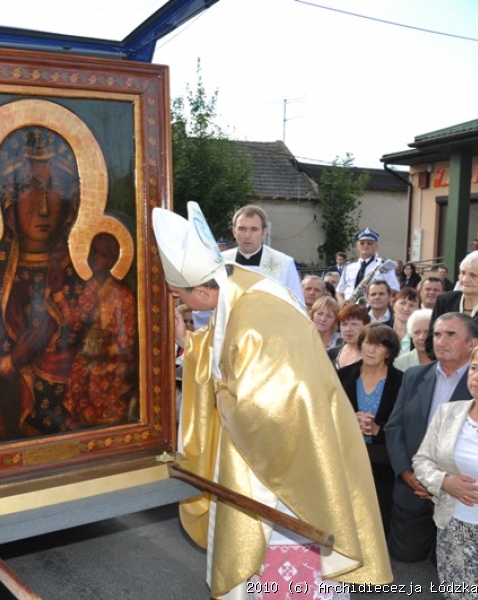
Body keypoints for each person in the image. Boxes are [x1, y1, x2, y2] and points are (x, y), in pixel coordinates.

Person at [154, 202, 390, 597]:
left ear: (202, 290)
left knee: (285, 566)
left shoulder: (255, 319)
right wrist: (188, 343)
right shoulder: (241, 288)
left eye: (178, 295)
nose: (178, 302)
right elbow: (223, 349)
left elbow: (267, 409)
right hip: (291, 447)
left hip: (287, 470)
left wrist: (222, 393)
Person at [0, 127, 94, 446]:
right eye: (30, 189)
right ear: (7, 200)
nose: (44, 208)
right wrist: (11, 362)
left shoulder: (82, 279)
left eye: (55, 191)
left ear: (71, 204)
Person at [413, 339, 478, 600]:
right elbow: (422, 460)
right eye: (474, 368)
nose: (477, 376)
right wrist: (443, 481)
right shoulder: (448, 412)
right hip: (452, 528)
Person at [385, 312, 478, 562]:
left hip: (459, 496)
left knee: (450, 569)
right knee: (405, 562)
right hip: (412, 490)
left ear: (473, 344)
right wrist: (406, 474)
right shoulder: (414, 376)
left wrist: (439, 481)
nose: (441, 341)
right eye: (436, 334)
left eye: (451, 334)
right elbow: (394, 428)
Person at [64, 232, 137, 427]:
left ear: (113, 260)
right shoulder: (89, 288)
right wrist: (59, 298)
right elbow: (76, 321)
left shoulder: (123, 294)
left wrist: (107, 350)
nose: (95, 258)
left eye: (102, 254)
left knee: (97, 372)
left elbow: (128, 338)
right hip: (90, 351)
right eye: (94, 252)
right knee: (79, 366)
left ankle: (105, 425)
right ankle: (82, 422)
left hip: (115, 356)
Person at [337, 323, 404, 534]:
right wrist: (349, 422)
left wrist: (377, 430)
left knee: (378, 525)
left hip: (383, 464)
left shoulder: (401, 381)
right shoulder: (341, 376)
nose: (371, 350)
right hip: (346, 459)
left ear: (389, 352)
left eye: (379, 345)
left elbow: (405, 425)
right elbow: (328, 416)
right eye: (367, 343)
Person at [425, 251, 478, 357]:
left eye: (473, 275)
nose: (465, 279)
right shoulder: (444, 301)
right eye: (463, 273)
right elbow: (430, 344)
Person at [222, 204, 305, 304]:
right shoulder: (221, 261)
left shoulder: (284, 264)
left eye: (254, 229)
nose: (247, 235)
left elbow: (297, 305)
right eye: (242, 229)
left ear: (264, 232)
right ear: (234, 231)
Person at [336, 227, 400, 303]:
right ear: (357, 246)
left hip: (373, 306)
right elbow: (339, 291)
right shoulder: (349, 266)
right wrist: (342, 303)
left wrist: (375, 290)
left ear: (376, 246)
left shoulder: (384, 266)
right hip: (350, 306)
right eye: (362, 243)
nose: (365, 245)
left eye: (370, 243)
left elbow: (395, 290)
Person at [328, 303, 371, 370]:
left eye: (354, 324)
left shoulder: (372, 357)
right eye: (344, 324)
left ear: (366, 326)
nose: (348, 329)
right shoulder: (331, 353)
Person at [390, 287, 419, 354]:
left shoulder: (421, 336)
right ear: (393, 305)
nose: (406, 309)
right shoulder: (381, 329)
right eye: (402, 303)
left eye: (411, 305)